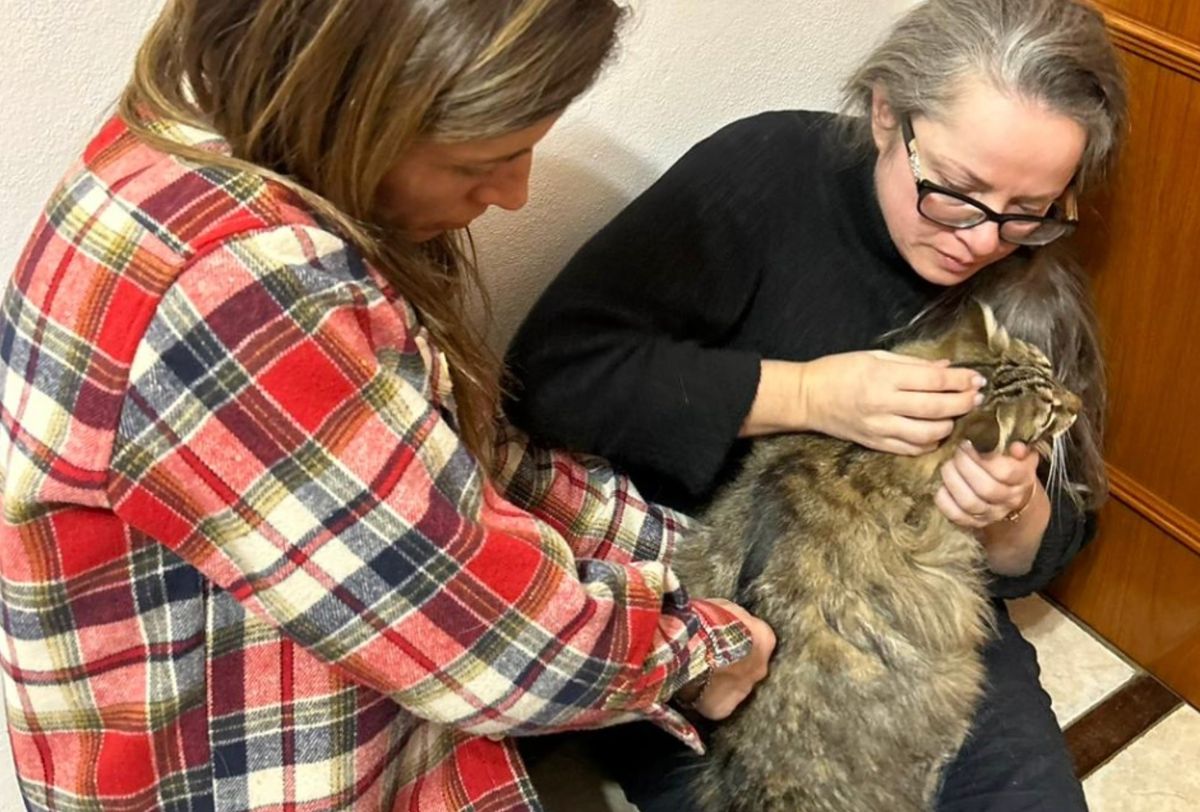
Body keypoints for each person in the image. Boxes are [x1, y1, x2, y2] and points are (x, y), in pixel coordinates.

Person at [0, 2, 779, 810]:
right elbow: (493, 645)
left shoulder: (192, 161)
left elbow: (454, 468)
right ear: (359, 102)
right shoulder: (233, 290)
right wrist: (703, 646)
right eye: (486, 158)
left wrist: (713, 558)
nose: (513, 195)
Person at [505, 0, 1127, 809]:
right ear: (883, 114)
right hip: (711, 589)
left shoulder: (1026, 273)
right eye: (957, 192)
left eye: (1027, 212)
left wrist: (1011, 519)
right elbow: (550, 376)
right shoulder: (764, 174)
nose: (981, 240)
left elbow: (1061, 523)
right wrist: (806, 393)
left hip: (907, 610)